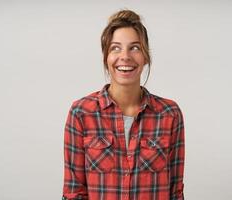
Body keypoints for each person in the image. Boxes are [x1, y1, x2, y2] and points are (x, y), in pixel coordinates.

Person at [62, 9, 185, 200]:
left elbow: (176, 193)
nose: (125, 56)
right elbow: (74, 193)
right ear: (106, 58)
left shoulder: (170, 114)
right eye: (115, 48)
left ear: (146, 57)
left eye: (134, 47)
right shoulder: (81, 113)